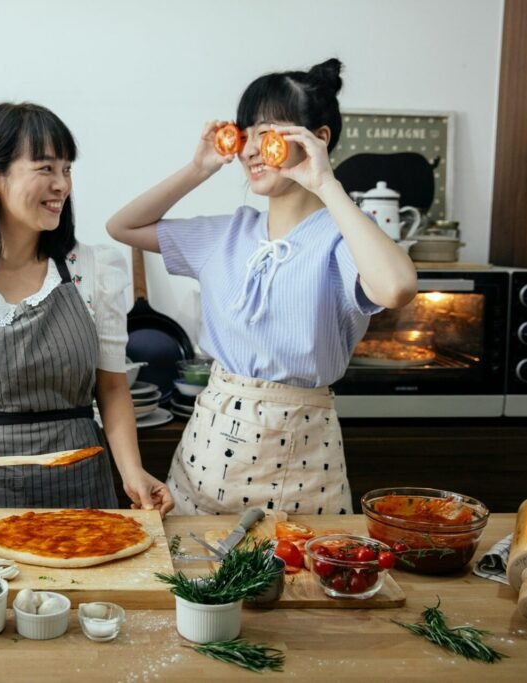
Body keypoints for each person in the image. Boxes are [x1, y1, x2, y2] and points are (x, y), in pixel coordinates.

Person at [106, 59, 417, 516]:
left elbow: (396, 287)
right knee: (193, 580)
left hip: (304, 458)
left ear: (318, 139)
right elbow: (122, 226)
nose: (250, 149)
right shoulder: (225, 234)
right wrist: (198, 168)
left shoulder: (342, 235)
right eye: (245, 133)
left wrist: (326, 183)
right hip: (207, 456)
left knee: (299, 581)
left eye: (267, 133)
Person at [0, 102, 173, 516]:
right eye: (45, 168)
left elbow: (112, 388)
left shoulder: (94, 270)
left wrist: (132, 472)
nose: (62, 184)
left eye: (67, 169)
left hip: (79, 486)